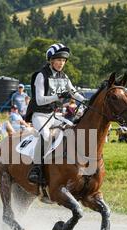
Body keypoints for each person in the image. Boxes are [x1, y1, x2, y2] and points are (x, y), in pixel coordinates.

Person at [26, 43, 86, 184]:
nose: (61, 63)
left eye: (64, 61)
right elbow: (40, 100)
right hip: (39, 115)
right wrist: (58, 97)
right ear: (51, 60)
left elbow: (73, 92)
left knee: (73, 129)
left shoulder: (63, 76)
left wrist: (86, 101)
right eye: (58, 60)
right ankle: (36, 169)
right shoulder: (41, 75)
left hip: (54, 116)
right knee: (46, 137)